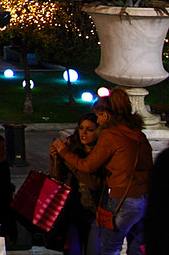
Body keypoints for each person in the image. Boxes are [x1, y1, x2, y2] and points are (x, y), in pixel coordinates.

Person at [53, 87, 152, 255]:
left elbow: (88, 166)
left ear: (106, 115)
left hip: (122, 198)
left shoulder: (111, 134)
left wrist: (64, 152)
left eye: (98, 116)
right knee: (137, 248)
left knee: (110, 248)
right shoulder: (138, 134)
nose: (97, 121)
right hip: (144, 198)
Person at [49, 112, 102, 255]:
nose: (83, 133)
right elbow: (56, 178)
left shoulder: (100, 153)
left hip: (95, 211)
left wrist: (68, 158)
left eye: (89, 130)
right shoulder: (72, 149)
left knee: (93, 249)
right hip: (72, 210)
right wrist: (56, 159)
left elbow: (94, 183)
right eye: (81, 128)